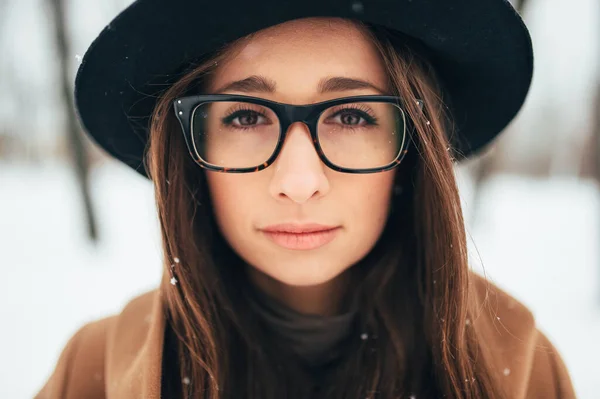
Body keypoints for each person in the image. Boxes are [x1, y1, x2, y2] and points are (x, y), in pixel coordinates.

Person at [35, 0, 576, 398]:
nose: (297, 182)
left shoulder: (526, 374)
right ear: (190, 153)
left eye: (351, 115)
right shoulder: (95, 373)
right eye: (245, 115)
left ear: (413, 149)